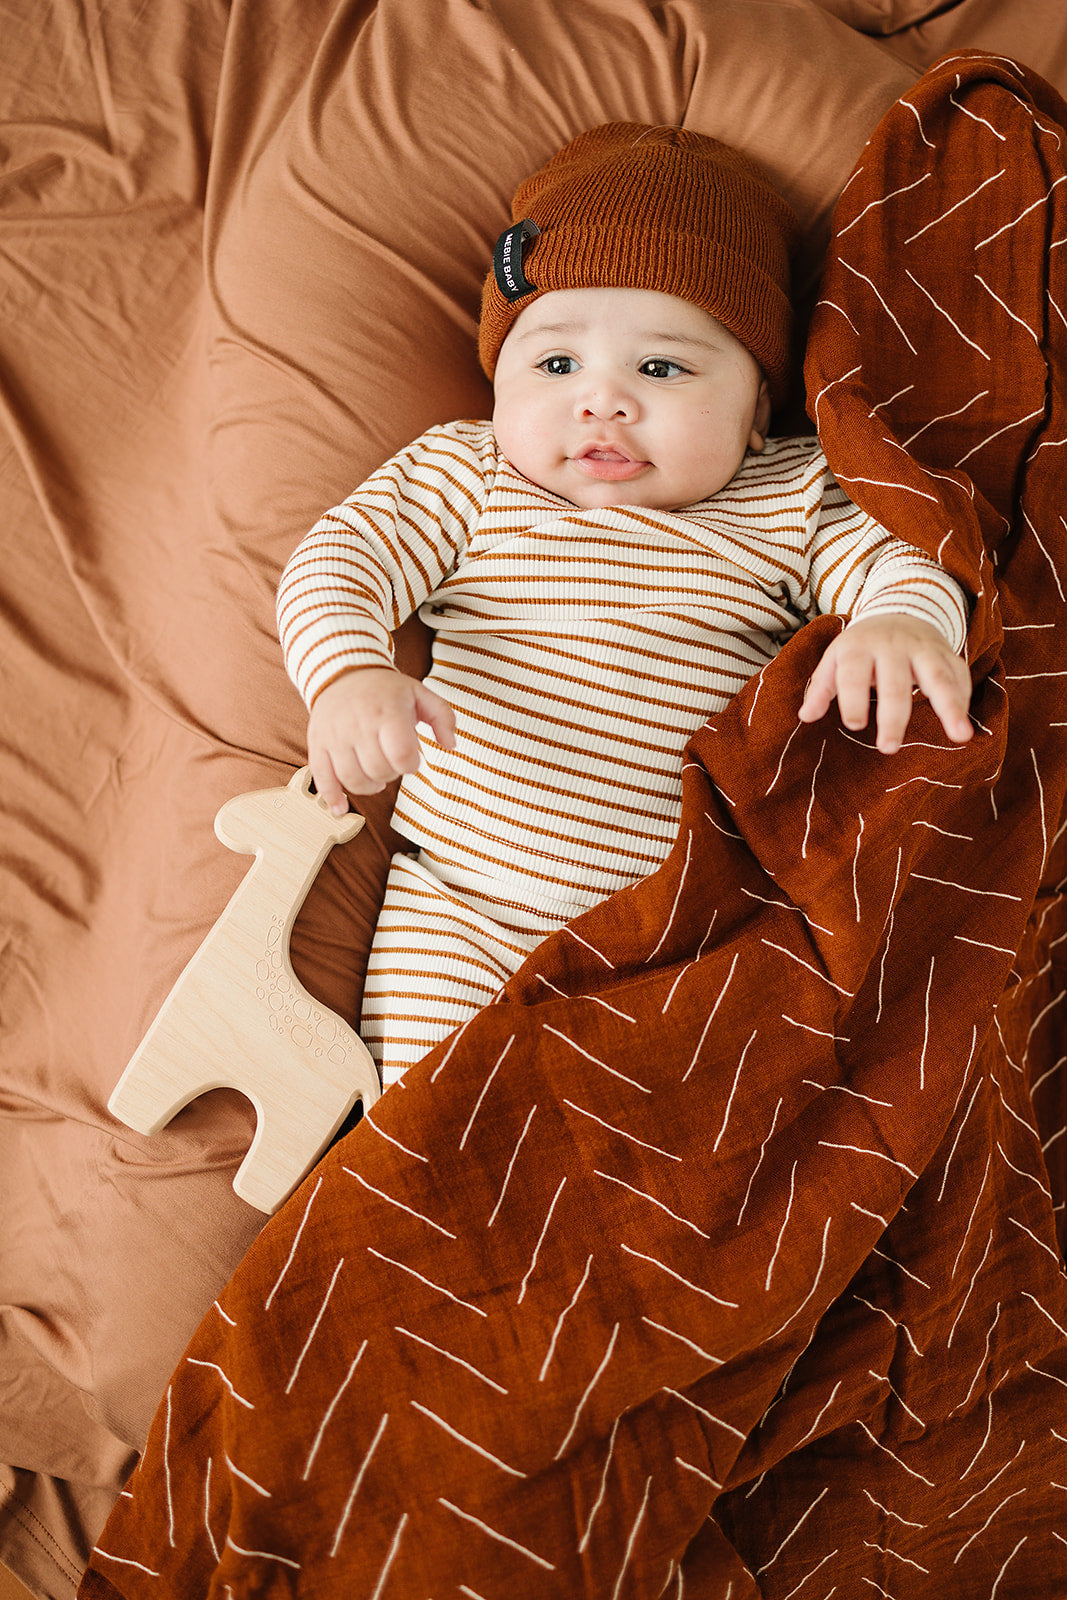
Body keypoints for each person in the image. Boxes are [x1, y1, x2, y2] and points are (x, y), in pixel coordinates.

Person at [277, 122, 973, 1084]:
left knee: (691, 1122)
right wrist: (347, 672)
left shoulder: (785, 495)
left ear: (755, 407)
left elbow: (903, 557)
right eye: (555, 365)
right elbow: (339, 560)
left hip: (690, 931)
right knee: (430, 1109)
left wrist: (901, 623)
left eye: (661, 368)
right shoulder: (471, 474)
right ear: (498, 381)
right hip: (463, 907)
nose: (601, 402)